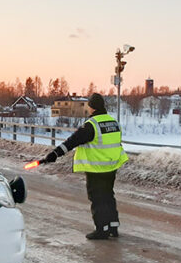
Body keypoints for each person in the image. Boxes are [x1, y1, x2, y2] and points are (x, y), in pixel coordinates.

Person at [39, 93, 128, 240]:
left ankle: (101, 230)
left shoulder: (91, 125)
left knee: (97, 198)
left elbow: (72, 142)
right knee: (108, 196)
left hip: (97, 168)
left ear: (92, 107)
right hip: (112, 166)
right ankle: (113, 226)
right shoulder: (113, 122)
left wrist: (54, 154)